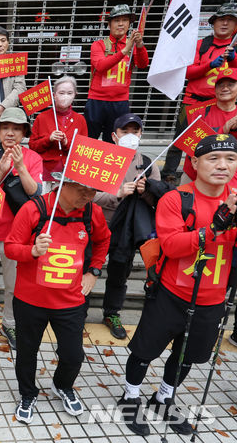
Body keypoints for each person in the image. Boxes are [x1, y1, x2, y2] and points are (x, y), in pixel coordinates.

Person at [118, 134, 237, 437]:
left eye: (230, 159)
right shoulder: (177, 198)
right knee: (145, 352)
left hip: (212, 298)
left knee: (187, 356)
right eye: (213, 158)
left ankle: (164, 398)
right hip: (171, 293)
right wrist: (213, 227)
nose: (222, 165)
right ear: (195, 163)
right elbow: (171, 246)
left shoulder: (236, 199)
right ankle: (130, 397)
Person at [5, 171, 110, 424]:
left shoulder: (91, 212)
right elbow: (10, 247)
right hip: (31, 300)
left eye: (93, 190)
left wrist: (94, 272)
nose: (88, 195)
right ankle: (28, 393)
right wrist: (31, 250)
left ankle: (62, 385)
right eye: (81, 189)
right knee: (27, 352)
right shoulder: (34, 209)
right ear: (61, 184)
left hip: (71, 301)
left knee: (73, 355)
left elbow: (105, 239)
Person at [0, 107, 42, 349]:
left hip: (18, 236)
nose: (10, 133)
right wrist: (1, 171)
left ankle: (9, 323)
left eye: (16, 128)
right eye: (6, 128)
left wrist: (20, 166)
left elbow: (36, 194)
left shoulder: (34, 158)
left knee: (14, 287)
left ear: (25, 132)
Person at [92, 113, 161, 339]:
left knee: (119, 272)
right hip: (98, 225)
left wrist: (147, 191)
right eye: (125, 132)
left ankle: (112, 313)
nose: (130, 136)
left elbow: (160, 201)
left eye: (135, 131)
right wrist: (117, 193)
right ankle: (76, 308)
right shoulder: (100, 159)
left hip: (127, 230)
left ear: (141, 134)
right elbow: (88, 195)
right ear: (114, 136)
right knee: (86, 267)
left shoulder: (149, 165)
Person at [162, 2, 237, 181]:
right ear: (213, 23)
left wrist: (234, 60)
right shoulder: (200, 45)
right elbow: (186, 72)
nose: (225, 23)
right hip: (192, 102)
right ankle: (169, 177)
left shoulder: (235, 50)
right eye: (221, 20)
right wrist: (208, 65)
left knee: (218, 142)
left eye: (230, 20)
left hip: (218, 105)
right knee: (180, 140)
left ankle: (213, 175)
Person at [85, 4, 149, 142]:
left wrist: (139, 45)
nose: (121, 24)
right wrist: (125, 50)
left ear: (129, 24)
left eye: (125, 20)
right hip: (97, 100)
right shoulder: (99, 45)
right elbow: (101, 66)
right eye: (116, 20)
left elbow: (143, 64)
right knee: (88, 141)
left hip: (120, 102)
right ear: (109, 24)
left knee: (114, 142)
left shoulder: (132, 45)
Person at [29, 75, 88, 189]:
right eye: (61, 93)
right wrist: (49, 139)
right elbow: (32, 146)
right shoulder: (42, 117)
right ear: (54, 95)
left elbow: (84, 151)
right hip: (45, 172)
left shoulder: (80, 120)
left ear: (75, 95)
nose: (65, 96)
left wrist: (67, 142)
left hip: (69, 174)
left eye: (69, 93)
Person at [181, 68, 237, 185]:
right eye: (220, 85)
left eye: (230, 85)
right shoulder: (198, 112)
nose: (225, 88)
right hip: (195, 176)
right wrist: (224, 130)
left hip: (230, 178)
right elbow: (194, 146)